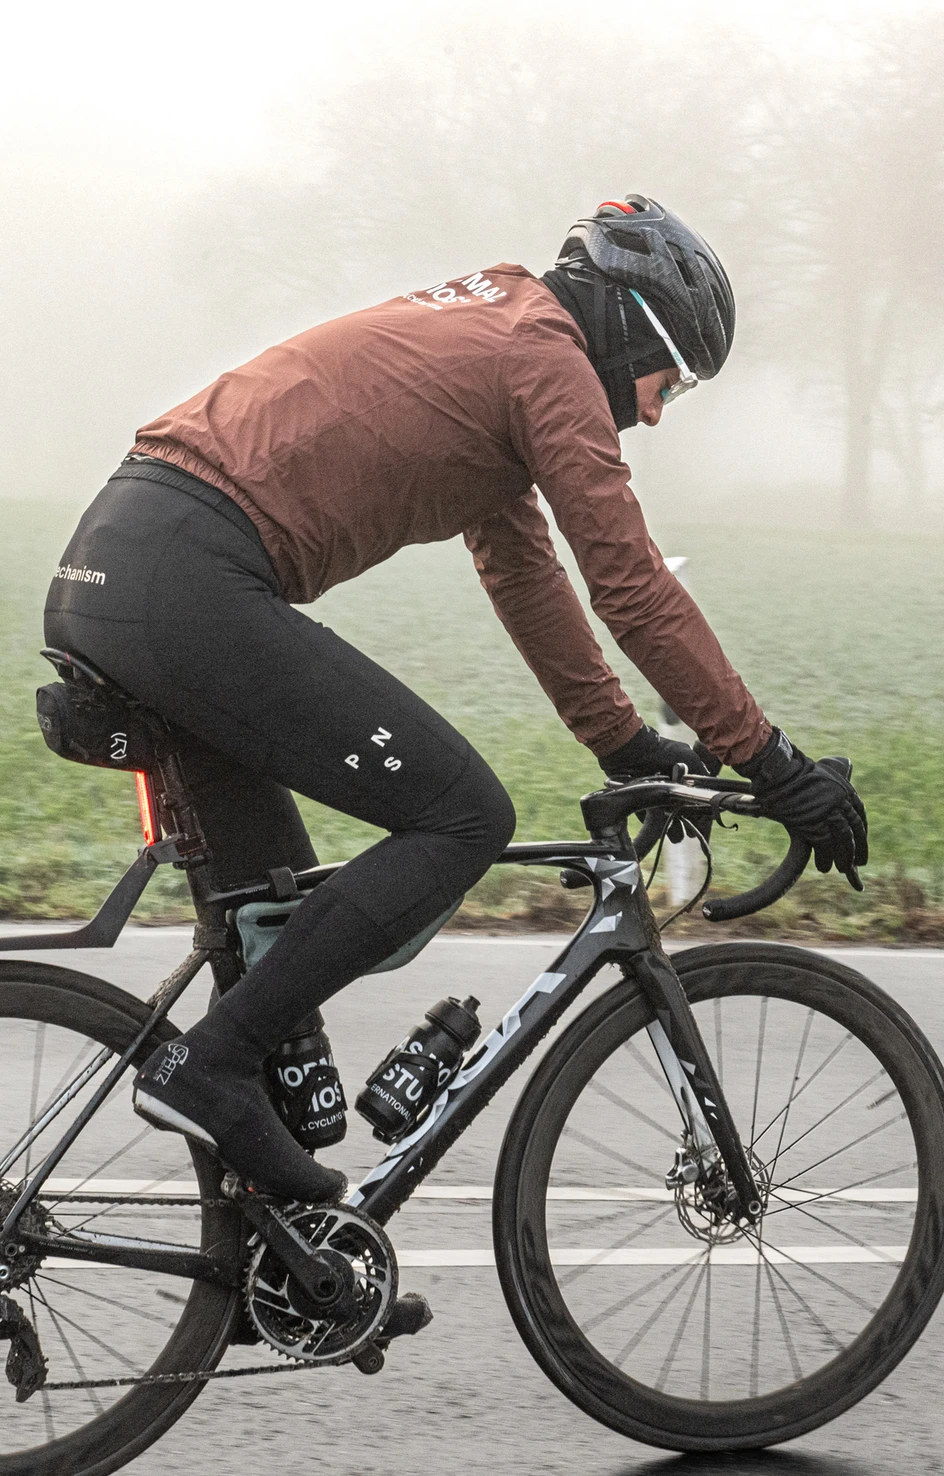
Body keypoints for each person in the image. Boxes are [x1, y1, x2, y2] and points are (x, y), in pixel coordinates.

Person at [44, 193, 867, 1204]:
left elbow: (524, 571)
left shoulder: (498, 335)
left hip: (130, 563)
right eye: (670, 377)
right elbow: (630, 581)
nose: (654, 408)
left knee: (278, 922)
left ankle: (269, 1248)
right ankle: (206, 1073)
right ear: (626, 322)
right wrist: (772, 763)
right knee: (463, 814)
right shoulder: (546, 351)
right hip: (184, 579)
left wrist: (624, 744)